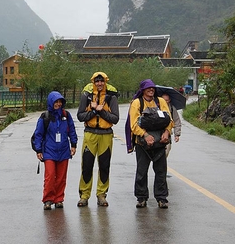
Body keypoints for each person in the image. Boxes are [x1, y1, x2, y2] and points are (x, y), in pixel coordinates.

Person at [128, 79, 173, 209]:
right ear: (143, 90)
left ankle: (162, 198)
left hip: (160, 142)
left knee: (161, 171)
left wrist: (167, 133)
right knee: (142, 171)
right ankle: (141, 198)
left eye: (152, 88)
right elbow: (134, 124)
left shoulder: (161, 102)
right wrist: (145, 135)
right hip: (142, 144)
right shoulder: (137, 103)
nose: (151, 90)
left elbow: (169, 120)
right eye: (148, 88)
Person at [76, 72, 119, 207]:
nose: (99, 84)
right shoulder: (87, 95)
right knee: (87, 165)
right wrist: (94, 111)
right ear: (93, 82)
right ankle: (84, 195)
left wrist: (101, 111)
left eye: (102, 81)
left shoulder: (111, 96)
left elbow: (115, 118)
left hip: (106, 134)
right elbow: (80, 116)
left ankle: (101, 194)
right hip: (90, 133)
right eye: (97, 81)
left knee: (104, 166)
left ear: (105, 82)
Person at [33, 91, 78, 210]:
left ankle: (59, 199)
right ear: (51, 102)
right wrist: (38, 150)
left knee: (61, 177)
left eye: (60, 102)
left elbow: (72, 130)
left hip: (63, 150)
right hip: (49, 151)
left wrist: (73, 145)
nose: (58, 104)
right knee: (50, 176)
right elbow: (38, 134)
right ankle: (48, 199)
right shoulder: (45, 117)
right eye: (55, 102)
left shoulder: (66, 116)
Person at [161, 93, 181, 158]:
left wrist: (177, 134)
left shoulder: (172, 109)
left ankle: (162, 165)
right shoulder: (156, 107)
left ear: (169, 100)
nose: (165, 102)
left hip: (168, 134)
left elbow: (177, 121)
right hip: (157, 133)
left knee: (166, 152)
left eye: (166, 100)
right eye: (163, 100)